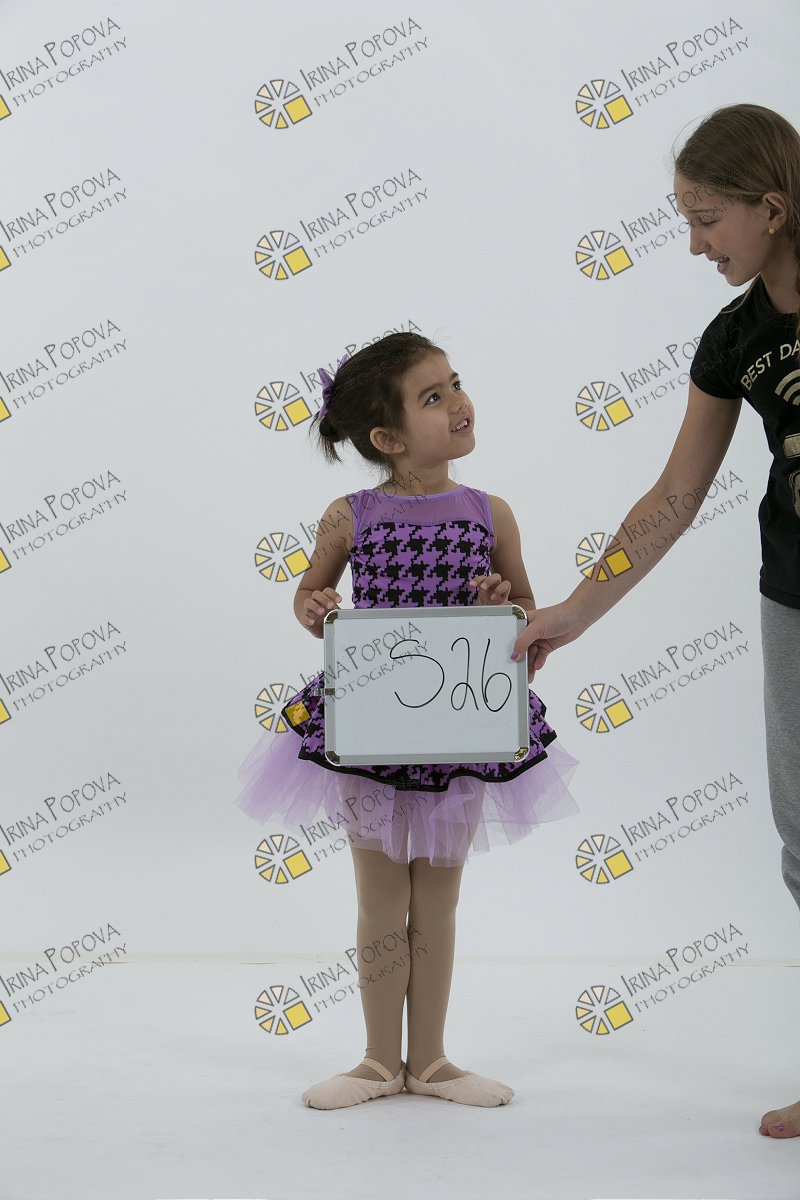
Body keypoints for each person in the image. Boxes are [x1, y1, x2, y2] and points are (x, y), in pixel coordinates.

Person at [510, 102, 800, 1139]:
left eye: (706, 220)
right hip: (792, 601)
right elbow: (674, 498)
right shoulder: (734, 339)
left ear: (771, 209)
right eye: (684, 222)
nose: (693, 246)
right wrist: (574, 613)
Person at [235, 331, 579, 1109]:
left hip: (459, 727)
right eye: (432, 396)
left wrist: (505, 604)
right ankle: (375, 1060)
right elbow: (308, 594)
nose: (458, 401)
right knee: (381, 899)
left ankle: (430, 1060)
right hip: (373, 728)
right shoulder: (349, 515)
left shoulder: (490, 512)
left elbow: (527, 605)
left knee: (441, 900)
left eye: (455, 382)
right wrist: (316, 606)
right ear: (387, 438)